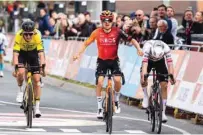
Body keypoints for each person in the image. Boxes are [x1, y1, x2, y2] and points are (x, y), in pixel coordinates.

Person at [73, 10, 143, 119]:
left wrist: (138, 49)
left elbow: (132, 40)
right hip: (101, 61)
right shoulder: (96, 32)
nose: (107, 22)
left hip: (114, 60)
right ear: (101, 21)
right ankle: (100, 108)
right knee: (100, 82)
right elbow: (86, 43)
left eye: (109, 20)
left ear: (112, 21)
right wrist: (78, 54)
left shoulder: (117, 31)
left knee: (117, 80)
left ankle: (116, 99)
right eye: (104, 20)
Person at [12, 19, 46, 118]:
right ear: (22, 33)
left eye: (30, 34)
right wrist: (16, 68)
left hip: (33, 54)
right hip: (22, 53)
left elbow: (41, 53)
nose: (28, 36)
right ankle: (20, 90)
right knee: (21, 73)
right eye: (25, 34)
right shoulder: (18, 35)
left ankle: (37, 108)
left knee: (37, 81)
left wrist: (43, 66)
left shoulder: (37, 35)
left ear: (33, 33)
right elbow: (15, 55)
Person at [140, 40, 176, 123]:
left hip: (160, 62)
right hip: (149, 61)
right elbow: (144, 64)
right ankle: (145, 96)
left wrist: (172, 76)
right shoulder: (147, 48)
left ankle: (163, 113)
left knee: (164, 85)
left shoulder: (166, 48)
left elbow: (170, 64)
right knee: (143, 79)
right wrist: (144, 76)